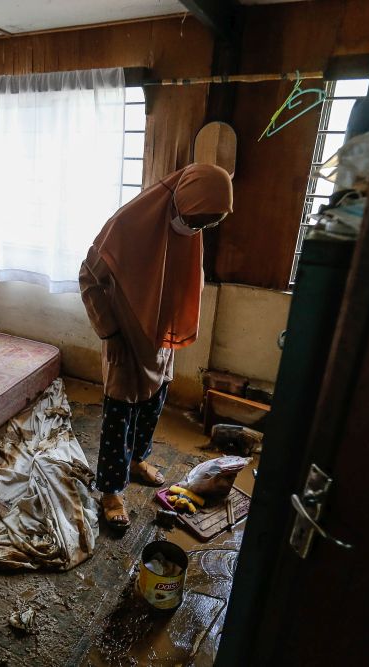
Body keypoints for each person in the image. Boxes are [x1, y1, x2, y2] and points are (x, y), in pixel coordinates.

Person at [79, 163, 233, 528]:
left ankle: (137, 461)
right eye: (197, 220)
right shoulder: (129, 224)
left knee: (155, 398)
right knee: (121, 411)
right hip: (125, 332)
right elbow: (88, 278)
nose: (197, 229)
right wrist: (110, 334)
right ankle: (112, 490)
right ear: (182, 198)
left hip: (161, 332)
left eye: (207, 225)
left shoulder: (184, 226)